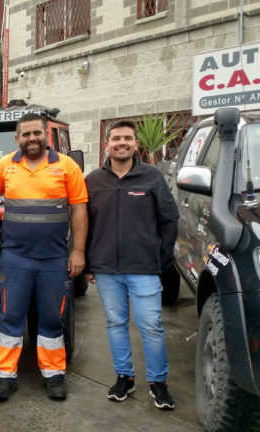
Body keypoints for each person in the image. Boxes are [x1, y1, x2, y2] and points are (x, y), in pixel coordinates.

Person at [0, 113, 88, 402]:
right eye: (26, 134)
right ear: (17, 138)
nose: (32, 138)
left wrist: (78, 251)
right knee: (10, 316)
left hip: (54, 259)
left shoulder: (66, 166)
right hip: (15, 258)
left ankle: (54, 374)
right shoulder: (5, 165)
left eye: (37, 133)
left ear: (46, 135)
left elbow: (79, 209)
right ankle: (5, 376)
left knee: (52, 319)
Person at [84, 119, 178, 410]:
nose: (121, 143)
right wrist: (89, 260)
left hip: (144, 268)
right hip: (106, 269)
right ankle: (124, 376)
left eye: (127, 138)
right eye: (116, 138)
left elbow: (169, 219)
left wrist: (160, 259)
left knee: (151, 325)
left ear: (136, 144)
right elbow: (84, 223)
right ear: (107, 144)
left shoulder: (151, 177)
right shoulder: (93, 181)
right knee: (115, 324)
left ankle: (158, 382)